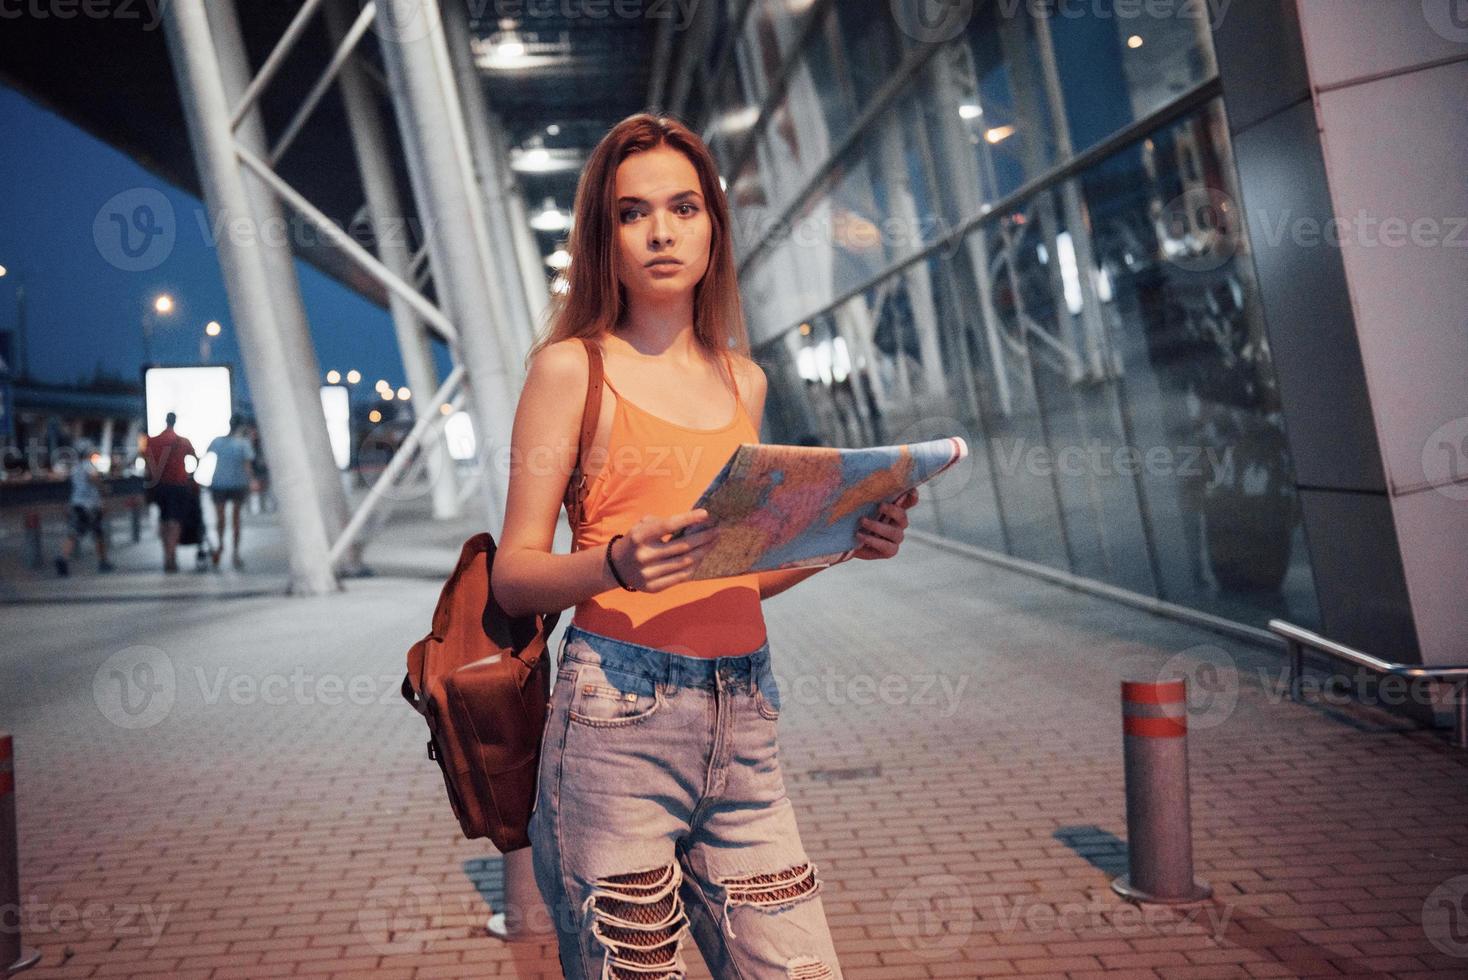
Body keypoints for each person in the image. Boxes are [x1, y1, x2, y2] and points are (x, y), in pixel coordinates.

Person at [494, 113, 917, 980]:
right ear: (601, 236)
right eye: (632, 212)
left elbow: (733, 576)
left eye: (684, 207)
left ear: (713, 227)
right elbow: (514, 575)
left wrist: (846, 542)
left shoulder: (742, 378)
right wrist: (614, 563)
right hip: (616, 717)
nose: (660, 231)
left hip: (748, 718)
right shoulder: (572, 369)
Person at [143, 411, 198, 573]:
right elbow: (195, 458)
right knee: (175, 521)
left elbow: (148, 465)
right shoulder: (181, 441)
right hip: (178, 485)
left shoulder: (152, 441)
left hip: (159, 486)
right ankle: (171, 555)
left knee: (164, 519)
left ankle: (166, 554)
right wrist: (191, 475)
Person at [55, 440, 114, 576]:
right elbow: (93, 478)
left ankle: (63, 558)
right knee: (95, 533)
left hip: (78, 504)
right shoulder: (88, 465)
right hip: (89, 507)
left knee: (77, 533)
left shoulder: (76, 468)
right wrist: (103, 488)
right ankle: (102, 562)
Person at [205, 414, 255, 570]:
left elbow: (206, 456)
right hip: (237, 484)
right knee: (236, 519)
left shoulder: (218, 442)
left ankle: (220, 546)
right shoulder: (243, 444)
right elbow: (247, 465)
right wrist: (252, 480)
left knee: (220, 518)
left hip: (219, 483)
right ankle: (235, 552)